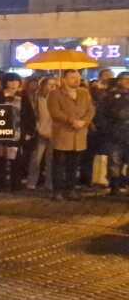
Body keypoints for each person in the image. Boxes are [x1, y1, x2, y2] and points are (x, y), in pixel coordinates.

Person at [47, 69, 94, 201]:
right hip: (62, 134)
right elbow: (55, 112)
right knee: (59, 165)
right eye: (73, 77)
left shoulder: (84, 93)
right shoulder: (55, 94)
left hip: (79, 134)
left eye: (78, 77)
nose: (77, 80)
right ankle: (57, 191)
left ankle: (71, 189)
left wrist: (84, 121)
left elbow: (91, 109)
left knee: (73, 165)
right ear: (64, 79)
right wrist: (71, 120)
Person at [98, 71, 129, 195]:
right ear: (119, 81)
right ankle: (114, 186)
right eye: (125, 79)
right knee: (115, 161)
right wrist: (107, 128)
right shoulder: (110, 96)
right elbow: (102, 114)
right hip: (115, 133)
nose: (127, 82)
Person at [26, 77, 56, 192]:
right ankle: (32, 181)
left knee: (51, 159)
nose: (52, 87)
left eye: (54, 85)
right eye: (50, 84)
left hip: (54, 133)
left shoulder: (57, 99)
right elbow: (34, 116)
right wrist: (39, 129)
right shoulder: (36, 98)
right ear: (43, 85)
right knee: (36, 158)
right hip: (40, 132)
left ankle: (49, 183)